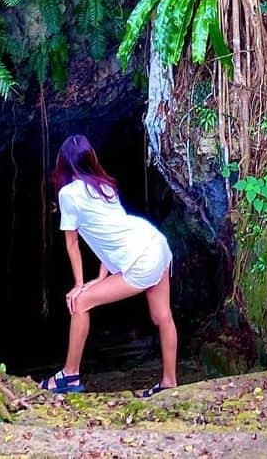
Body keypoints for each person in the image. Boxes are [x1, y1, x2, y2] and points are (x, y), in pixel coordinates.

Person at [39, 134, 177, 397]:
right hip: (155, 243)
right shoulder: (105, 187)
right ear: (90, 159)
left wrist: (80, 285)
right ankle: (169, 381)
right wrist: (100, 279)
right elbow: (111, 240)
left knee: (80, 303)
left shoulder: (68, 194)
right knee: (162, 316)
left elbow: (71, 243)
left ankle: (69, 376)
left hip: (140, 260)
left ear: (64, 164)